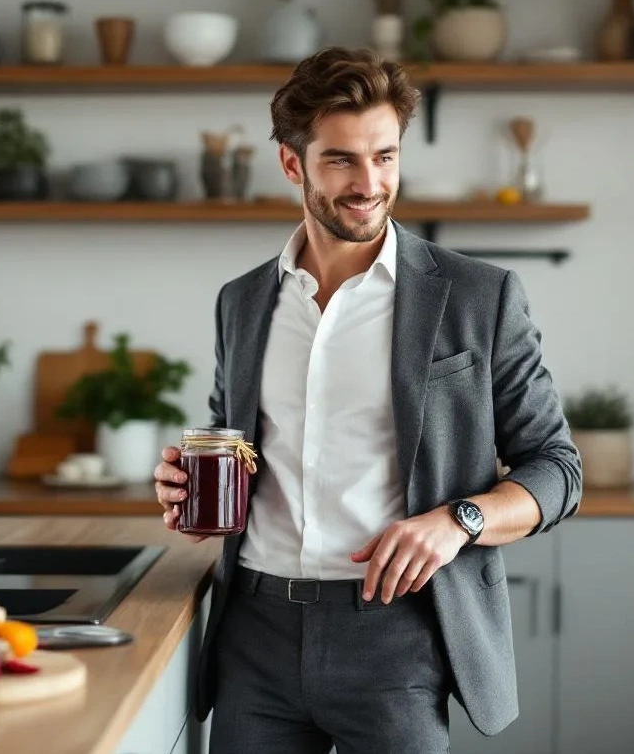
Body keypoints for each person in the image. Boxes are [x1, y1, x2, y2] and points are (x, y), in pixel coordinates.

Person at [151, 47, 582, 754]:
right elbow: (243, 445)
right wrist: (195, 496)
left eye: (385, 157)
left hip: (397, 640)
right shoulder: (244, 302)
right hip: (253, 636)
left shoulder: (478, 297)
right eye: (342, 161)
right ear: (293, 165)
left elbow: (558, 469)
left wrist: (459, 521)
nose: (369, 183)